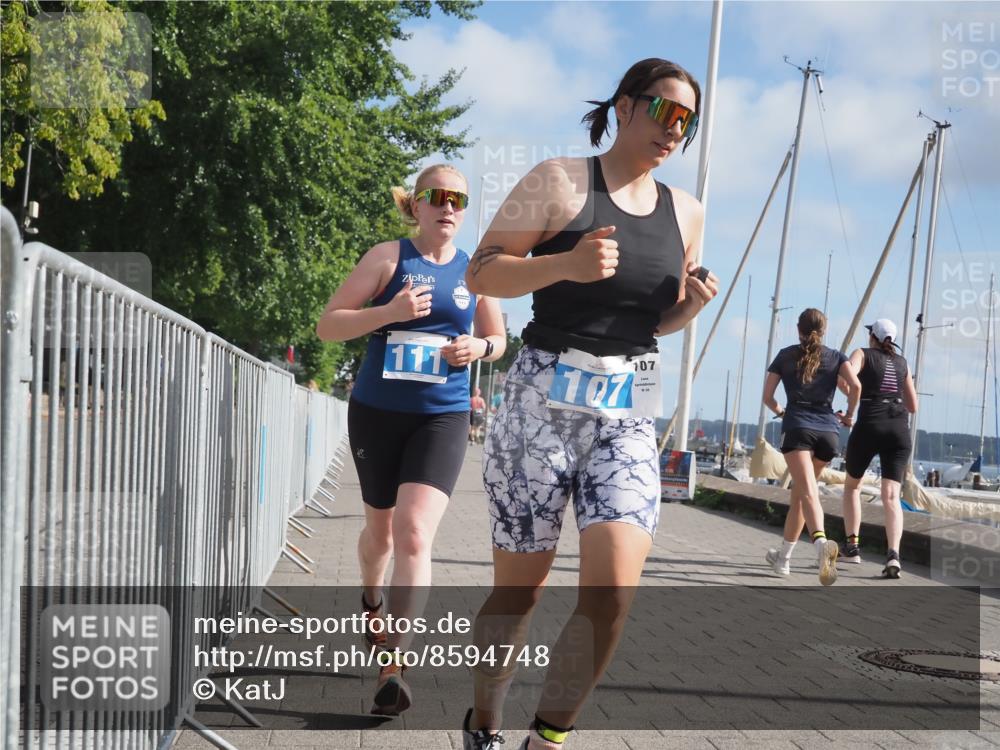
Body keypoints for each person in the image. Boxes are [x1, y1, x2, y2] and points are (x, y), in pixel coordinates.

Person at [461, 58, 719, 750]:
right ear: (627, 107)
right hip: (540, 398)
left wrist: (686, 309)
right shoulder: (559, 180)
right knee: (521, 592)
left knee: (611, 594)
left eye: (688, 122)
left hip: (628, 406)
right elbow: (480, 268)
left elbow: (650, 321)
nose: (676, 130)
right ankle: (484, 720)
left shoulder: (686, 212)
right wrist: (563, 264)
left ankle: (548, 736)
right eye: (666, 112)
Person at [315, 164, 506, 715]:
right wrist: (391, 312)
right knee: (380, 537)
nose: (449, 207)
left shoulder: (478, 271)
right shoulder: (388, 257)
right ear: (416, 205)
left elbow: (498, 336)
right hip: (377, 413)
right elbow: (329, 325)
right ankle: (370, 597)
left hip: (442, 417)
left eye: (459, 200)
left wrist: (481, 350)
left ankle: (393, 664)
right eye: (437, 197)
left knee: (415, 532)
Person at [761, 308, 861, 585]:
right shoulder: (836, 357)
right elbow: (856, 386)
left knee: (808, 493)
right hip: (828, 433)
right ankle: (783, 559)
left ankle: (821, 545)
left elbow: (767, 397)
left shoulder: (785, 355)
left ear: (798, 329)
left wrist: (782, 413)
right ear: (824, 330)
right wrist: (849, 416)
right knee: (800, 496)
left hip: (798, 429)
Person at [839, 319, 917, 578]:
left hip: (870, 423)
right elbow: (913, 405)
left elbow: (846, 375)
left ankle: (852, 548)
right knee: (891, 497)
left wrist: (848, 394)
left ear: (872, 336)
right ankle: (893, 556)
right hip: (898, 427)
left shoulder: (862, 353)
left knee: (852, 486)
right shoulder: (903, 363)